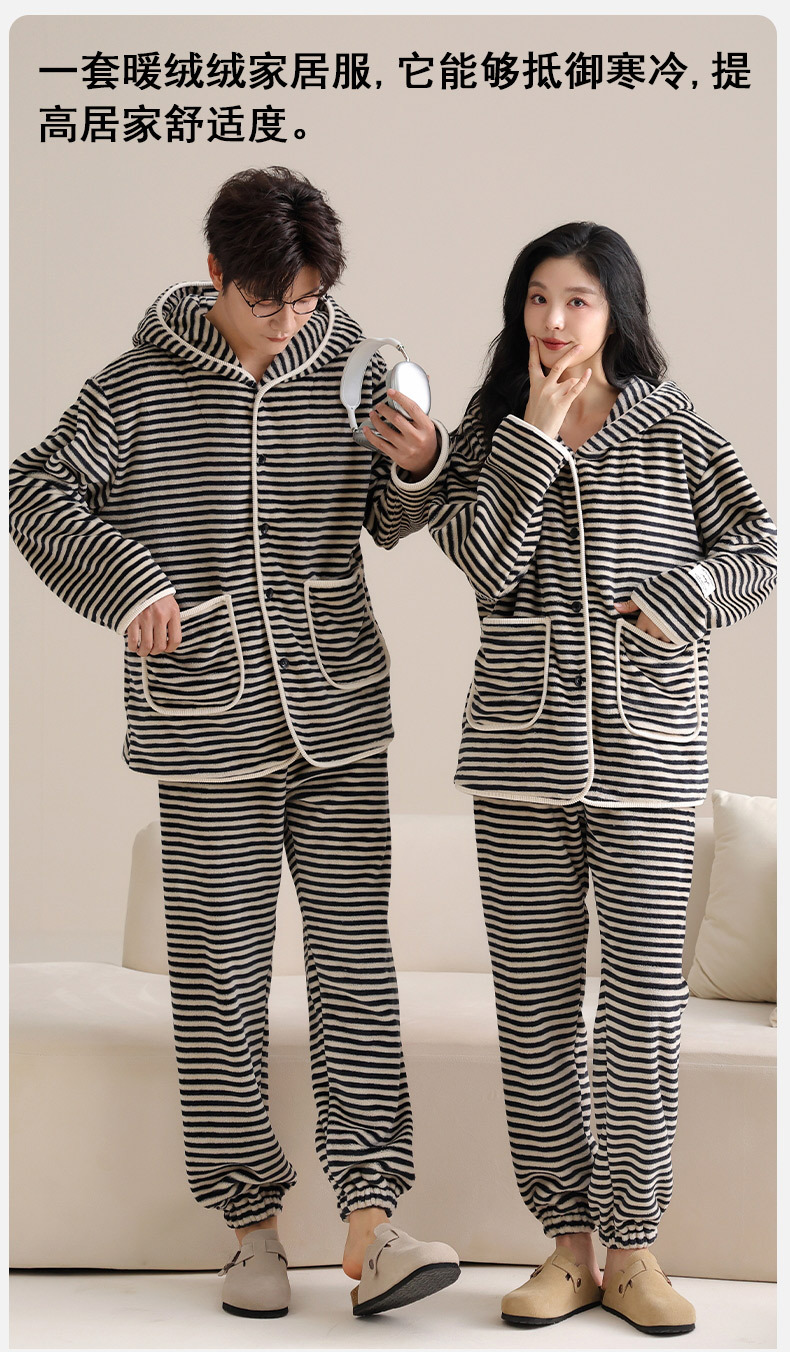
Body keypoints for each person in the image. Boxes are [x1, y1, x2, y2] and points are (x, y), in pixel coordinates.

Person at [9, 165, 461, 1320]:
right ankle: (250, 1224)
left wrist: (418, 461)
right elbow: (33, 491)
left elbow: (389, 517)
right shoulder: (134, 385)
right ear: (216, 272)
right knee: (219, 977)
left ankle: (373, 1218)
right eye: (269, 301)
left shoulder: (350, 358)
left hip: (338, 713)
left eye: (308, 300)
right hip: (205, 720)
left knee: (355, 964)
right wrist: (129, 580)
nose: (291, 321)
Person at [427, 221, 776, 1336]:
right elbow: (484, 567)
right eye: (537, 297)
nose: (553, 319)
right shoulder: (491, 428)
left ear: (615, 310)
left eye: (576, 299)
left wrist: (684, 598)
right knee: (533, 1012)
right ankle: (567, 1247)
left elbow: (760, 548)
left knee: (639, 1014)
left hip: (648, 757)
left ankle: (633, 1249)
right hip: (519, 759)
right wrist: (531, 434)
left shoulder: (675, 428)